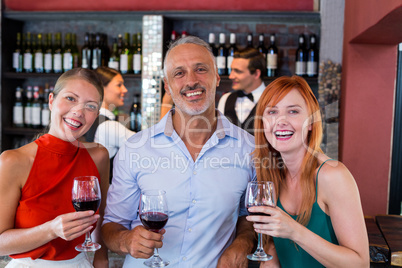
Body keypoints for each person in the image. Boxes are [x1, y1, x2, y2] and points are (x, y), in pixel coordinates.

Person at [101, 36, 257, 267]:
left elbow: (250, 216)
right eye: (179, 73)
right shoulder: (136, 148)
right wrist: (126, 240)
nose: (191, 81)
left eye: (201, 69)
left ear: (216, 78)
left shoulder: (249, 148)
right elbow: (111, 226)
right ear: (167, 85)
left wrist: (243, 243)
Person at [248, 75, 369, 267]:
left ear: (311, 122)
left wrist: (294, 231)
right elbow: (275, 241)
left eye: (293, 111)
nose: (281, 121)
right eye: (272, 112)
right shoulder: (272, 174)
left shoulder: (333, 176)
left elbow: (360, 264)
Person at [0, 68, 110, 268]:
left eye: (90, 106)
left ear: (96, 115)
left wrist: (102, 260)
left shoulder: (99, 156)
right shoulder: (12, 161)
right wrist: (51, 230)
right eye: (70, 98)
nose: (78, 111)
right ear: (51, 101)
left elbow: (101, 220)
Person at [84, 66, 135, 182]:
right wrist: (165, 103)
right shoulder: (107, 126)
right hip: (109, 196)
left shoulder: (91, 119)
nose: (125, 89)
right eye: (119, 85)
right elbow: (149, 147)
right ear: (101, 88)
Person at [217, 47, 266, 135]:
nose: (231, 76)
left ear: (256, 74)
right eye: (231, 70)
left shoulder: (274, 100)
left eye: (238, 71)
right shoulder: (225, 99)